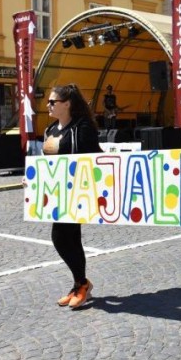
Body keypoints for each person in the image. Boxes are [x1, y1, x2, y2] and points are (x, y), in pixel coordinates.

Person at [43, 83, 102, 309]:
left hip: (78, 189)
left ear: (66, 104)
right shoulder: (50, 130)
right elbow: (44, 163)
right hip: (56, 192)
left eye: (52, 101)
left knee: (65, 236)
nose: (48, 105)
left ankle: (81, 284)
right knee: (64, 238)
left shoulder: (82, 127)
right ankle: (81, 283)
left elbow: (92, 157)